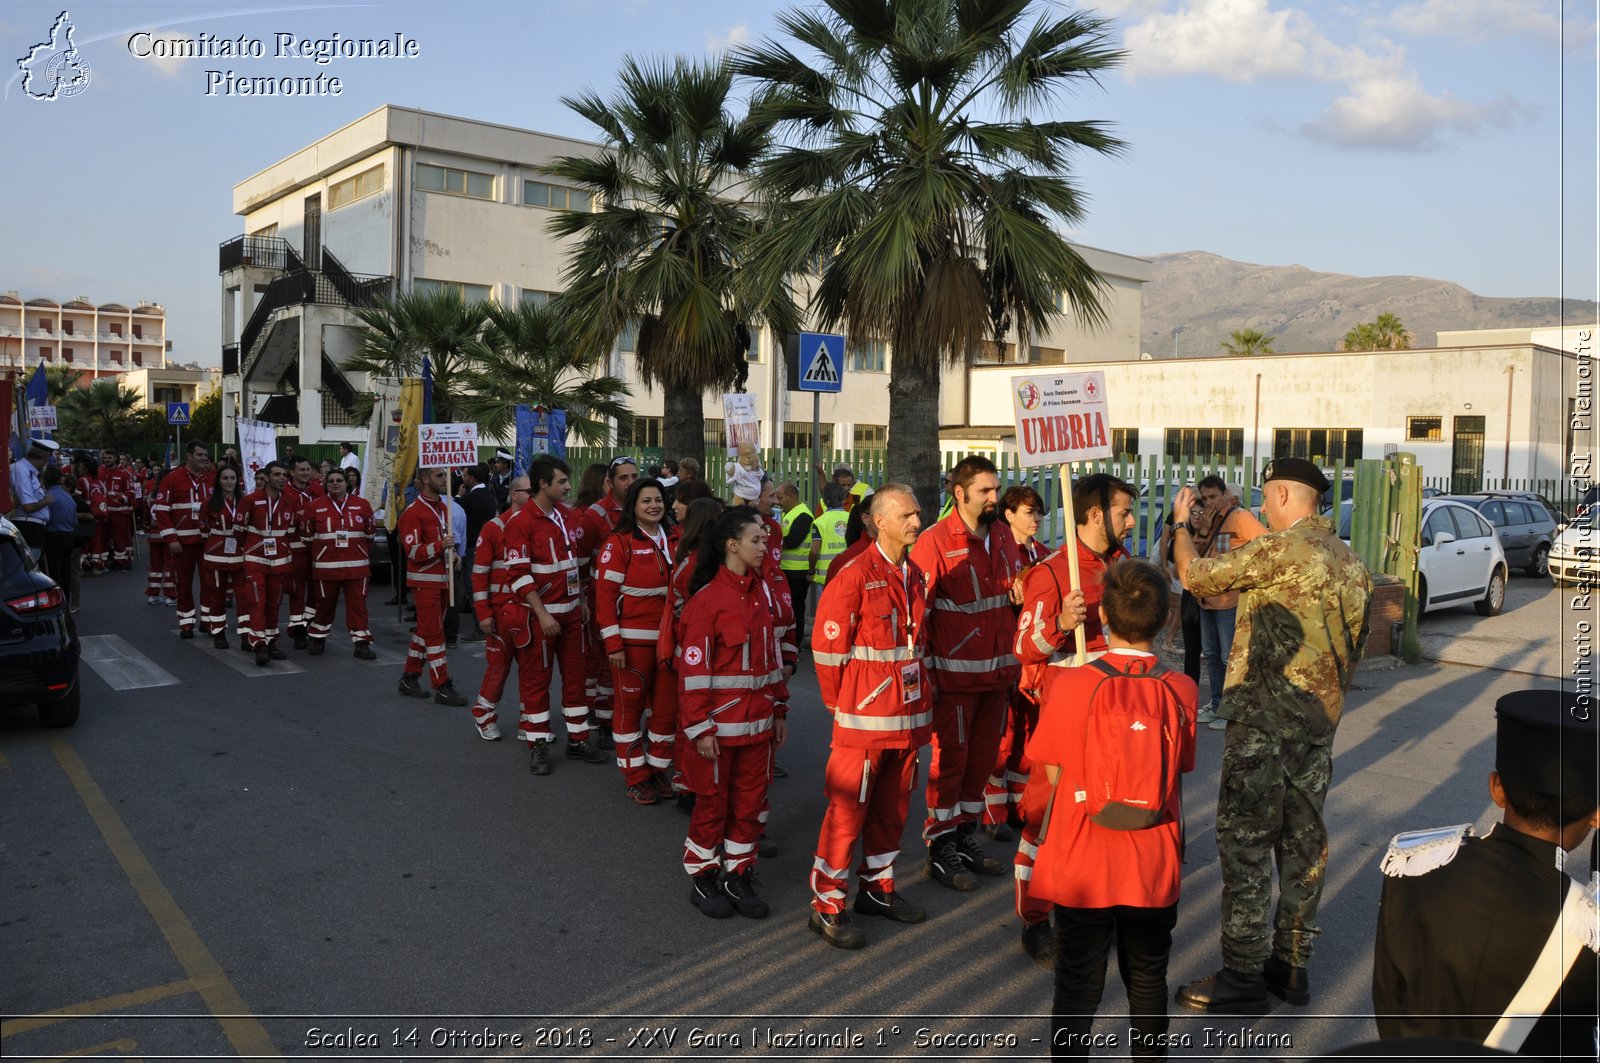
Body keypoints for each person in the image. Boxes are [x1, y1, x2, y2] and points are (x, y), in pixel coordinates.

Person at [1170, 457, 1372, 1013]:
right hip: (1317, 729)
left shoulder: (1283, 551)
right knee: (1304, 846)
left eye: (1265, 496)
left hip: (1263, 726)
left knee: (1246, 848)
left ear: (1284, 494)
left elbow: (1195, 577)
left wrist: (1182, 526)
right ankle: (1291, 969)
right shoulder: (1352, 563)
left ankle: (1242, 975)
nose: (1261, 506)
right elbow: (1353, 647)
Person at [1027, 560, 1198, 1061]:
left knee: (1078, 981)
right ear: (1167, 618)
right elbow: (1179, 768)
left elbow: (1054, 773)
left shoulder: (1074, 685)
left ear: (1102, 614)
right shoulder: (1181, 688)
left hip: (1083, 859)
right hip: (1151, 858)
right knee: (1148, 978)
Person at [1372, 689, 1598, 1057]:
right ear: (1597, 813)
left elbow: (1388, 996)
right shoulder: (1588, 925)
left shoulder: (1414, 866)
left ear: (1497, 788)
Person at [1012, 473, 1132, 963]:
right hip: (1064, 726)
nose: (1131, 520)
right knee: (1044, 823)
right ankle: (1035, 919)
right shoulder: (1055, 573)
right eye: (1124, 511)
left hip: (1117, 723)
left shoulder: (1124, 567)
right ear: (1097, 514)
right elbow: (1022, 648)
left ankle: (1095, 910)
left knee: (1108, 820)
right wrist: (1060, 624)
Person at [808, 484, 932, 949]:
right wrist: (844, 706)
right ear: (879, 520)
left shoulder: (913, 573)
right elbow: (826, 649)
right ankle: (827, 903)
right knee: (846, 813)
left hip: (905, 719)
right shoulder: (855, 573)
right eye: (907, 515)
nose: (916, 522)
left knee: (891, 810)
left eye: (917, 513)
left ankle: (877, 890)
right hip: (863, 722)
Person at [911, 454, 1025, 890]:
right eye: (985, 491)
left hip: (997, 679)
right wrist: (926, 678)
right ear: (959, 494)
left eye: (996, 489)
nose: (995, 497)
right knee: (951, 764)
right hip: (954, 681)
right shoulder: (934, 542)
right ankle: (939, 847)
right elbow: (918, 617)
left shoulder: (1002, 536)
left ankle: (963, 836)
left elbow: (1008, 601)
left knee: (981, 764)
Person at [677, 507, 787, 919]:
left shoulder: (762, 594)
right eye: (757, 540)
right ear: (731, 545)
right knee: (711, 805)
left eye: (764, 540)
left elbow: (772, 658)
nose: (764, 547)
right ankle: (703, 878)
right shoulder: (707, 602)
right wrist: (700, 728)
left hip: (758, 725)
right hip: (718, 732)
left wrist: (780, 708)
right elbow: (693, 673)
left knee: (749, 805)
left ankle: (737, 873)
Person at [502, 456, 606, 772]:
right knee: (537, 681)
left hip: (573, 614)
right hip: (539, 619)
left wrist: (582, 601)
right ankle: (538, 743)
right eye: (561, 481)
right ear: (543, 484)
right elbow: (518, 575)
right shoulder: (520, 523)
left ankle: (577, 739)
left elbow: (574, 564)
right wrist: (543, 614)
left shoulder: (567, 516)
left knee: (575, 679)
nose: (568, 486)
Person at [595, 477, 681, 805]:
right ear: (633, 506)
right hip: (631, 645)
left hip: (670, 643)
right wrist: (613, 644)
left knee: (665, 711)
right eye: (645, 500)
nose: (654, 506)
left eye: (658, 499)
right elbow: (604, 598)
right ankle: (635, 776)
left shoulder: (676, 538)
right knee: (629, 710)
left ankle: (658, 770)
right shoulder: (618, 543)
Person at [982, 484, 1049, 841]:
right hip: (1003, 650)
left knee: (1028, 732)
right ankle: (993, 810)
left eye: (1039, 512)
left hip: (1034, 656)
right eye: (1029, 512)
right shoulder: (997, 551)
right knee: (1003, 734)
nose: (1036, 518)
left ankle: (1019, 805)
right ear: (1009, 515)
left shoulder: (1044, 553)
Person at [1189, 476, 1267, 729]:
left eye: (1214, 496)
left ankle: (1232, 709)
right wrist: (1203, 529)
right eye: (1206, 498)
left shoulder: (1240, 517)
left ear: (1224, 494)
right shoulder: (1208, 521)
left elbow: (1265, 546)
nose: (1210, 502)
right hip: (1207, 600)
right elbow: (1196, 556)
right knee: (1211, 655)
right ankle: (1217, 704)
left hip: (1229, 600)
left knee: (1228, 657)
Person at [575, 456, 639, 747]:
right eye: (623, 478)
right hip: (603, 601)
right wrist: (584, 599)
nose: (630, 482)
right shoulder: (596, 515)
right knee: (604, 663)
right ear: (610, 482)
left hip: (636, 605)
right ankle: (603, 720)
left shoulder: (643, 508)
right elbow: (579, 562)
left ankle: (624, 716)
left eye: (633, 476)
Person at [396, 468, 468, 705]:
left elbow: (448, 546)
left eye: (445, 476)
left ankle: (409, 676)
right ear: (425, 479)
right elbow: (413, 551)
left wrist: (455, 555)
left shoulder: (443, 509)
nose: (445, 480)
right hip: (424, 582)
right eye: (439, 476)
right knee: (435, 634)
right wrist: (440, 546)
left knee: (425, 632)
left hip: (443, 580)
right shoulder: (413, 512)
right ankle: (442, 685)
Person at [469, 475, 531, 742]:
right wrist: (483, 613)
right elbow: (479, 574)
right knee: (498, 668)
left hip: (529, 610)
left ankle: (530, 719)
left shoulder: (537, 525)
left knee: (532, 669)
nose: (533, 494)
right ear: (514, 494)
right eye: (528, 491)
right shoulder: (494, 528)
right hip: (500, 611)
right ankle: (484, 714)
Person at [305, 468, 376, 658]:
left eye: (339, 480)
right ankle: (317, 637)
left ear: (347, 483)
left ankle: (361, 642)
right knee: (324, 605)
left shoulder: (362, 504)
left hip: (356, 567)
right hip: (326, 568)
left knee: (358, 606)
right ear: (325, 484)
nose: (335, 484)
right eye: (331, 481)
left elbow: (370, 535)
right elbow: (307, 537)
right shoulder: (315, 506)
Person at [239, 461, 299, 666]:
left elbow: (291, 531)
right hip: (255, 560)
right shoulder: (250, 500)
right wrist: (249, 549)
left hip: (279, 562)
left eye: (284, 475)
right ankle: (259, 645)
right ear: (266, 477)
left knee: (274, 605)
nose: (281, 478)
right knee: (257, 603)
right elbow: (239, 531)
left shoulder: (291, 501)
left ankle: (271, 641)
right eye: (277, 475)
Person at [154, 441, 216, 639]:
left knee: (209, 584)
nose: (204, 458)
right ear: (189, 456)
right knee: (184, 584)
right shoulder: (172, 479)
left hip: (208, 542)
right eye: (200, 455)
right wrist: (171, 538)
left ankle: (207, 621)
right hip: (182, 543)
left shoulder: (212, 479)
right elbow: (161, 512)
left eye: (205, 455)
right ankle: (186, 623)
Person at [199, 465, 245, 649]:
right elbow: (203, 529)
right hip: (216, 555)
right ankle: (218, 632)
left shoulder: (244, 501)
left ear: (237, 480)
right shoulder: (209, 503)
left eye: (232, 478)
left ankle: (246, 634)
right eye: (225, 478)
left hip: (239, 555)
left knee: (243, 598)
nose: (229, 481)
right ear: (219, 480)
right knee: (217, 597)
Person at [281, 457, 324, 649]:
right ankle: (297, 629)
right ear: (292, 472)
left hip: (316, 548)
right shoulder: (285, 492)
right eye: (301, 470)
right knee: (297, 591)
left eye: (308, 469)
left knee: (316, 590)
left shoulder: (317, 490)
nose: (306, 473)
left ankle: (310, 623)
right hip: (296, 548)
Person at [776, 481, 819, 648]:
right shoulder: (789, 513)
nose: (778, 502)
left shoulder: (803, 515)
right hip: (787, 569)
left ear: (790, 496)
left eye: (780, 498)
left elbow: (792, 541)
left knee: (796, 610)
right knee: (789, 609)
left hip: (797, 572)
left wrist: (772, 542)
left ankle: (795, 644)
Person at [10, 438, 56, 558]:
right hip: (27, 527)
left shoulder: (29, 471)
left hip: (32, 527)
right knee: (25, 571)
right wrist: (46, 501)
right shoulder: (21, 470)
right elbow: (28, 506)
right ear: (45, 456)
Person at [98, 448, 135, 572]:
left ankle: (122, 562)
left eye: (109, 458)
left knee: (120, 539)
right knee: (103, 538)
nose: (106, 460)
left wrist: (120, 499)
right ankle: (105, 562)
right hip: (103, 513)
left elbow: (130, 492)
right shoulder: (100, 472)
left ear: (115, 459)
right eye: (105, 458)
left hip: (119, 513)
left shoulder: (124, 474)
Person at [41, 465, 78, 587]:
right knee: (65, 572)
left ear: (45, 480)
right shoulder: (69, 497)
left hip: (53, 537)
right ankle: (66, 599)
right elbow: (75, 522)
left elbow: (44, 519)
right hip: (69, 536)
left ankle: (57, 600)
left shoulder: (48, 497)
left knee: (54, 573)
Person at [810, 483, 850, 592]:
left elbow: (814, 551)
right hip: (849, 575)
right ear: (843, 499)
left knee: (825, 608)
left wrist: (811, 571)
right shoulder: (851, 519)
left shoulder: (819, 522)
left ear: (824, 500)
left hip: (825, 578)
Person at [72, 453, 108, 574]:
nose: (79, 469)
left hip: (86, 515)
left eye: (81, 467)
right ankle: (97, 566)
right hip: (100, 516)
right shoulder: (101, 483)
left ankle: (82, 566)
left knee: (85, 542)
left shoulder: (82, 481)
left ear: (86, 469)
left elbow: (76, 497)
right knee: (97, 542)